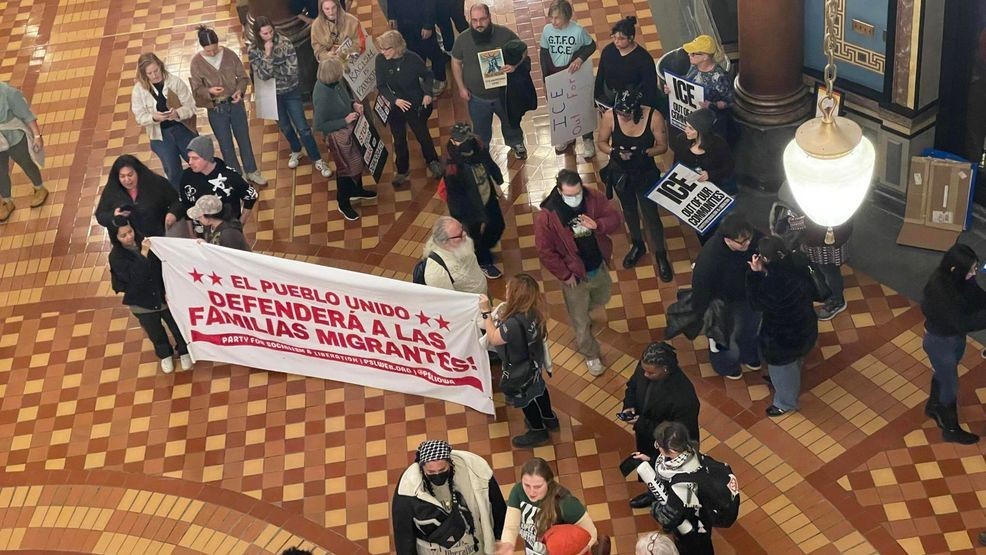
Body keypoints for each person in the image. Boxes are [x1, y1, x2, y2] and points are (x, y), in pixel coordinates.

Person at [534, 169, 621, 377]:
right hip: (574, 276)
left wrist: (598, 225)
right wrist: (565, 275)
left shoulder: (593, 197)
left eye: (577, 193)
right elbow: (546, 252)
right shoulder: (547, 217)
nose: (575, 199)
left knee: (602, 296)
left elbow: (614, 218)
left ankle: (586, 311)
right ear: (559, 190)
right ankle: (590, 354)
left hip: (597, 265)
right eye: (569, 195)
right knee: (580, 320)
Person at [596, 89, 672, 281]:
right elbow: (601, 142)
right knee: (629, 210)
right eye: (620, 113)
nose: (623, 117)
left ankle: (660, 253)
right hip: (621, 173)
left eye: (627, 114)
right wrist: (614, 152)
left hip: (645, 172)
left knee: (651, 214)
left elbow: (662, 146)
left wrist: (644, 152)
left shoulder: (653, 117)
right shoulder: (609, 116)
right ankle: (637, 244)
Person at [249, 16, 332, 178]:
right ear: (258, 34)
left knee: (303, 127)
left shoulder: (285, 43)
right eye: (265, 34)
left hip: (290, 91)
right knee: (285, 126)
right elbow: (262, 75)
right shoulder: (253, 50)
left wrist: (271, 69)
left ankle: (317, 158)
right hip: (271, 94)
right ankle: (296, 149)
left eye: (270, 31)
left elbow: (292, 71)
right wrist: (268, 54)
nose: (269, 36)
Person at [920, 243, 986, 444]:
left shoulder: (958, 278)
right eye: (972, 269)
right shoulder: (939, 290)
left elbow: (976, 296)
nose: (975, 273)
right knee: (949, 384)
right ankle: (950, 428)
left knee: (944, 373)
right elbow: (962, 322)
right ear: (956, 269)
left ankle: (933, 406)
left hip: (953, 339)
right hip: (940, 342)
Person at [480, 274, 556, 448]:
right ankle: (549, 418)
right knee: (540, 389)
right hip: (534, 364)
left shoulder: (514, 323)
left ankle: (537, 430)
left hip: (519, 370)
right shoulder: (535, 312)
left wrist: (486, 313)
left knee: (525, 399)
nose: (505, 290)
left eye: (509, 288)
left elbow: (493, 337)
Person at [392, 439, 507, 554]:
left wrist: (500, 537)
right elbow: (403, 535)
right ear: (422, 468)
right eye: (431, 472)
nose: (437, 475)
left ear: (450, 463)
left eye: (442, 470)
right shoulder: (408, 489)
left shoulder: (475, 471)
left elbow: (498, 507)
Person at [621, 342, 700, 508]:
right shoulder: (646, 367)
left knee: (669, 476)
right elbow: (633, 386)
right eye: (644, 370)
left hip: (670, 449)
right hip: (647, 436)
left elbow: (678, 435)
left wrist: (641, 422)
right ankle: (653, 492)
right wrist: (629, 404)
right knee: (650, 467)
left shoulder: (684, 397)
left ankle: (672, 505)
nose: (645, 374)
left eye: (650, 372)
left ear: (665, 369)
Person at [107, 217, 191, 374]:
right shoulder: (116, 257)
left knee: (177, 325)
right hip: (141, 302)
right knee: (155, 332)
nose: (129, 237)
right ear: (115, 238)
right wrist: (143, 254)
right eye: (123, 236)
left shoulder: (149, 241)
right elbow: (134, 279)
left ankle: (184, 350)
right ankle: (165, 354)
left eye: (130, 232)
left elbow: (165, 264)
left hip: (163, 295)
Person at [746, 236, 818, 417]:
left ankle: (785, 403)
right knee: (797, 360)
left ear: (765, 258)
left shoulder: (773, 283)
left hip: (782, 338)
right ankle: (787, 381)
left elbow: (756, 304)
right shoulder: (798, 261)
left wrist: (755, 274)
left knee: (783, 368)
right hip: (805, 324)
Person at [189, 25, 266, 185]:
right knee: (225, 144)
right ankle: (236, 174)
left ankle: (252, 170)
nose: (212, 53)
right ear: (202, 47)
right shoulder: (196, 62)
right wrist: (210, 90)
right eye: (208, 50)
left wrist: (239, 90)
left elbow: (243, 78)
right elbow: (197, 89)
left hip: (235, 104)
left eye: (214, 49)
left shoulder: (229, 55)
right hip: (216, 109)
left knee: (244, 139)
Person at [690, 213, 763, 380]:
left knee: (751, 328)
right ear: (728, 240)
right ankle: (726, 365)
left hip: (749, 295)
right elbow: (700, 289)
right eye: (741, 242)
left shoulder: (751, 237)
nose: (748, 244)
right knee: (724, 339)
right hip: (722, 303)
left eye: (748, 239)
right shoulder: (710, 258)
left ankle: (749, 355)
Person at [451, 4, 527, 160]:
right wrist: (461, 87)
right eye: (474, 20)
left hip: (503, 95)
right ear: (469, 20)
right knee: (480, 129)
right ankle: (482, 150)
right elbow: (456, 61)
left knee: (511, 121)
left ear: (489, 17)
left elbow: (523, 50)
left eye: (482, 19)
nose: (478, 24)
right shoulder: (463, 40)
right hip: (477, 98)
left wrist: (514, 66)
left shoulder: (504, 34)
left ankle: (516, 143)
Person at [633, 422, 715, 555]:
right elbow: (668, 467)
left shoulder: (682, 485)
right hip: (702, 515)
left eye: (658, 445)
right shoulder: (692, 456)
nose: (657, 448)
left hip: (692, 526)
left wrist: (655, 507)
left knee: (697, 548)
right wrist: (650, 460)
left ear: (671, 451)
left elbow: (667, 519)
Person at [375, 30, 443, 186]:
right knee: (398, 140)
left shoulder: (413, 59)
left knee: (422, 135)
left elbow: (428, 75)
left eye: (387, 49)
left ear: (397, 47)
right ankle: (402, 170)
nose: (383, 52)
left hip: (414, 103)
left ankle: (432, 161)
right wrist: (395, 100)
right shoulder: (380, 60)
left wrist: (427, 93)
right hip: (396, 106)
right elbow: (381, 85)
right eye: (382, 48)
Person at [312, 56, 375, 221]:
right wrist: (344, 120)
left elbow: (345, 96)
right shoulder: (322, 94)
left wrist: (354, 103)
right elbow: (319, 125)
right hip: (337, 135)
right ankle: (343, 202)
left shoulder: (336, 81)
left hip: (350, 129)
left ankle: (357, 190)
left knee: (359, 160)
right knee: (345, 169)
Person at [497, 457, 597, 555]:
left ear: (548, 483)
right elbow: (511, 526)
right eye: (526, 485)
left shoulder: (566, 503)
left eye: (538, 487)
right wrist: (508, 543)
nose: (531, 492)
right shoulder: (518, 491)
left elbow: (591, 535)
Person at [444, 122, 505, 279]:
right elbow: (454, 194)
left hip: (487, 195)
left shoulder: (477, 145)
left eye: (464, 139)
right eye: (458, 141)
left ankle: (483, 250)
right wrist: (459, 217)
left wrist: (497, 180)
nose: (461, 143)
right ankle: (483, 261)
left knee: (498, 225)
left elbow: (488, 162)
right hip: (470, 206)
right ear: (452, 141)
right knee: (474, 236)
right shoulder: (452, 165)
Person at [130, 53, 198, 190]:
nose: (154, 75)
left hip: (182, 129)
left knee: (197, 160)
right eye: (150, 73)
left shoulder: (175, 82)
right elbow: (139, 116)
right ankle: (180, 198)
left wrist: (177, 113)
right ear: (144, 75)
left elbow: (190, 106)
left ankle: (204, 189)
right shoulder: (139, 90)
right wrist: (154, 118)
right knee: (172, 170)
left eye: (156, 71)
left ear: (161, 66)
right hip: (160, 136)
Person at [538, 0, 596, 158]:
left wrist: (580, 59)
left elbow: (591, 46)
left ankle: (588, 139)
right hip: (555, 75)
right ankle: (567, 136)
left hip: (573, 74)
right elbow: (543, 54)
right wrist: (544, 80)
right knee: (561, 107)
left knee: (580, 106)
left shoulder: (578, 30)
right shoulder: (547, 30)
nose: (553, 22)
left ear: (567, 17)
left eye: (557, 18)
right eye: (551, 18)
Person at [669, 108, 733, 244]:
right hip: (691, 191)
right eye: (686, 126)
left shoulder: (719, 145)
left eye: (690, 128)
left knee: (714, 226)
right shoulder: (681, 140)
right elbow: (676, 164)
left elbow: (729, 168)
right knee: (700, 228)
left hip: (713, 190)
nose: (686, 130)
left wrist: (711, 174)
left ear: (701, 131)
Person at [179, 135, 259, 231]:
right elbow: (186, 205)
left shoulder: (229, 176)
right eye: (189, 158)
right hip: (201, 232)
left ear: (207, 157)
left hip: (227, 230)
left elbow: (251, 195)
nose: (190, 162)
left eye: (195, 158)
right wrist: (192, 234)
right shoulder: (187, 176)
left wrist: (240, 223)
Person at [95, 155, 183, 238]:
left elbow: (176, 202)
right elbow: (100, 215)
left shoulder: (157, 183)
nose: (127, 180)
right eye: (122, 176)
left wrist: (173, 213)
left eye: (130, 175)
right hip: (129, 242)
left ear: (138, 172)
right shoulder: (112, 190)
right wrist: (113, 215)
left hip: (158, 236)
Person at [0, 82, 48, 222]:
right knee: (0, 172)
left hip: (15, 136)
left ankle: (39, 188)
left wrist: (37, 136)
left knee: (26, 163)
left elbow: (27, 115)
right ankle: (7, 200)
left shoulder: (8, 92)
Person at [594, 17, 658, 109]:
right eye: (614, 37)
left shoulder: (644, 60)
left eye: (621, 39)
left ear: (631, 38)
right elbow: (601, 75)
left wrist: (644, 110)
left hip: (630, 102)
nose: (616, 42)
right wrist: (597, 98)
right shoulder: (608, 51)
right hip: (609, 96)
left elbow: (650, 87)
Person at [387, 0, 448, 96]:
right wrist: (392, 15)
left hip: (421, 20)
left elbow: (429, 3)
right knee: (413, 52)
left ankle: (440, 78)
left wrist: (428, 24)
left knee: (433, 51)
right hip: (403, 22)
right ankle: (423, 76)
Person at [682, 35, 733, 140]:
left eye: (693, 53)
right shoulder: (693, 66)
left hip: (712, 126)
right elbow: (687, 79)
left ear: (705, 56)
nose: (689, 55)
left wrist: (711, 105)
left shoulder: (719, 77)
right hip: (695, 119)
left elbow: (729, 102)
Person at [422, 216, 488, 296]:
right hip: (471, 306)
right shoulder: (436, 273)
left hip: (483, 297)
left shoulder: (462, 243)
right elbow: (449, 301)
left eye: (462, 229)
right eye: (459, 235)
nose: (464, 234)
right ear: (445, 242)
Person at [186, 195, 251, 251]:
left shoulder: (228, 234)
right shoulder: (209, 226)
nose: (198, 220)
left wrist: (207, 247)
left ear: (209, 217)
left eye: (199, 217)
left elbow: (232, 258)